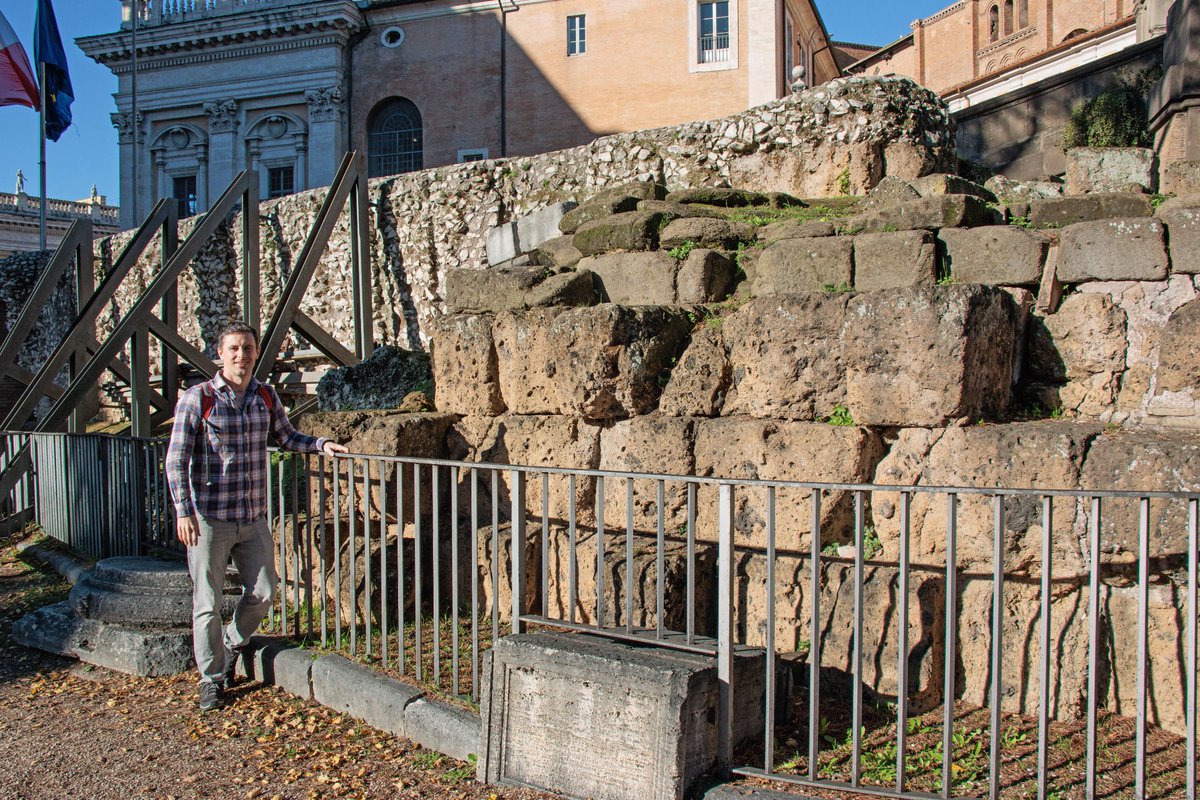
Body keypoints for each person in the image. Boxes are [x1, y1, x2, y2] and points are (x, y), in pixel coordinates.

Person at [165, 321, 347, 711]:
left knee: (265, 592)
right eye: (233, 349)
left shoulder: (264, 395)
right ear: (220, 354)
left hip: (252, 517)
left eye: (247, 348)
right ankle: (212, 680)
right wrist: (184, 511)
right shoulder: (198, 399)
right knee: (206, 602)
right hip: (209, 520)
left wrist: (321, 444)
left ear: (255, 351)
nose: (241, 356)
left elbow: (286, 437)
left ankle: (233, 642)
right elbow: (176, 459)